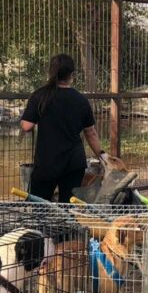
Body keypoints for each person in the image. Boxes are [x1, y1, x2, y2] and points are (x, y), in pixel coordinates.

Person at [20, 54, 112, 203]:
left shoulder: (40, 96)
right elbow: (91, 133)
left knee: (39, 206)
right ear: (72, 75)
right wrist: (102, 155)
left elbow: (26, 126)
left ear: (50, 72)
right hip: (74, 163)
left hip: (47, 162)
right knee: (68, 206)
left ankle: (41, 226)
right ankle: (66, 226)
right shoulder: (81, 100)